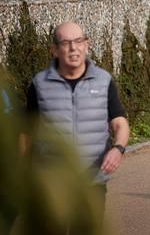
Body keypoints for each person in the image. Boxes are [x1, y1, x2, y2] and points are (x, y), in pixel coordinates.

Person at [24, 22, 130, 216]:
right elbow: (26, 132)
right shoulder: (39, 85)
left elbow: (119, 122)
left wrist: (118, 149)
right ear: (54, 50)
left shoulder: (103, 80)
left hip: (92, 182)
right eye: (65, 43)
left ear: (86, 45)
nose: (73, 48)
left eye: (78, 41)